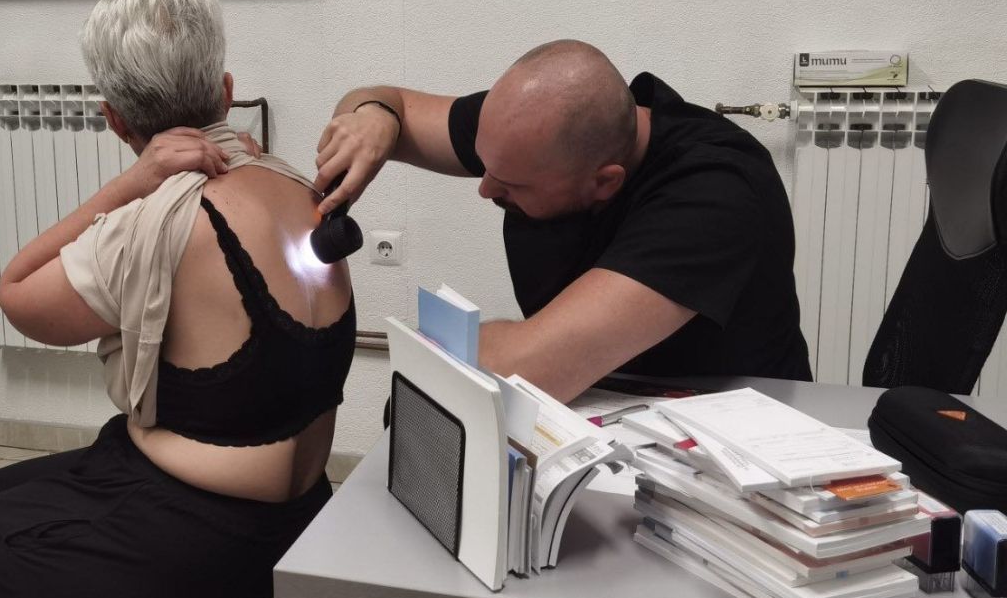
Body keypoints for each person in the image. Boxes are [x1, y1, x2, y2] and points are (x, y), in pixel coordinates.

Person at [0, 0, 354, 598]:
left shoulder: (158, 217)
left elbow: (18, 294)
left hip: (204, 540)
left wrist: (128, 184)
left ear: (112, 118)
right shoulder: (295, 185)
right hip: (295, 510)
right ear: (225, 91)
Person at [314, 40, 809, 404]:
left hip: (734, 436)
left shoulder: (713, 194)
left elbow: (529, 365)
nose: (486, 188)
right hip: (605, 405)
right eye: (485, 166)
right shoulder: (530, 129)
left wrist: (416, 354)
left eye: (512, 184)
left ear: (605, 182)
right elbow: (392, 104)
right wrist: (373, 117)